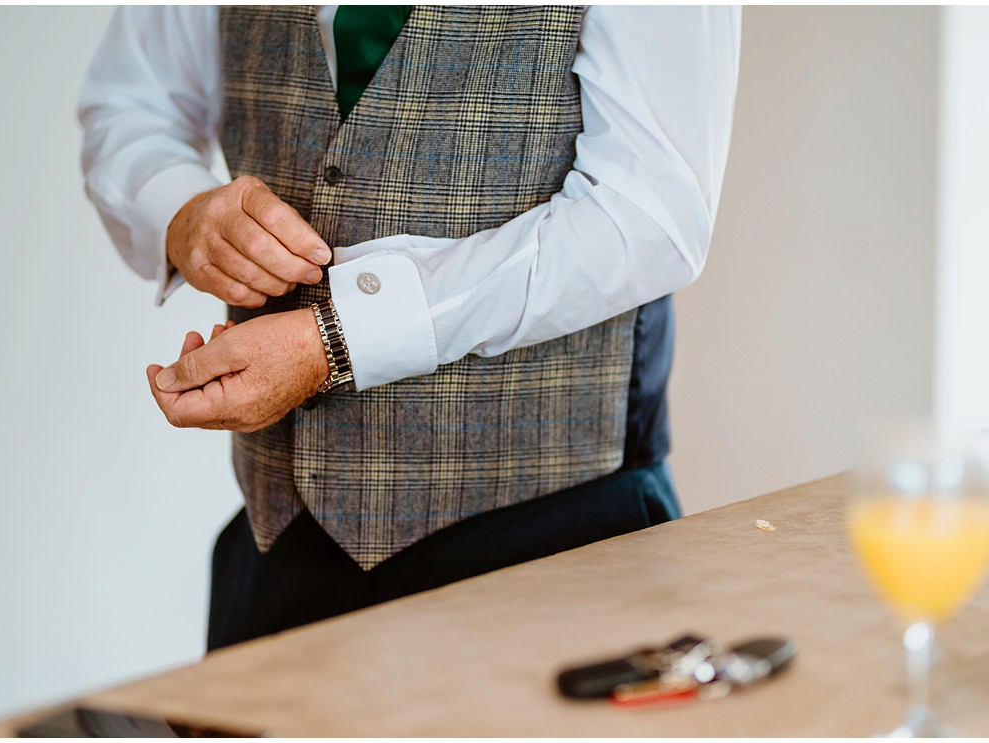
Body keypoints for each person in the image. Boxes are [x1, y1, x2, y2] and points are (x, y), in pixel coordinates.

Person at [79, 5, 741, 651]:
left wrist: (340, 339)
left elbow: (650, 213)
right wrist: (182, 210)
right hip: (282, 553)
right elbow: (130, 102)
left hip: (559, 544)